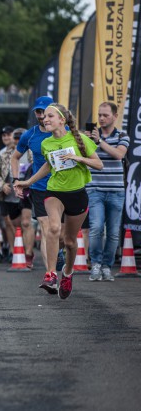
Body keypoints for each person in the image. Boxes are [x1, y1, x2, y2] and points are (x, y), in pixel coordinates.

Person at [15, 103, 102, 299]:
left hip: (77, 194)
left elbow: (99, 164)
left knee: (70, 242)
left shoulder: (79, 139)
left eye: (50, 116)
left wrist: (79, 158)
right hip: (54, 191)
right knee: (53, 228)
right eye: (44, 116)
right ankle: (51, 274)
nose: (45, 119)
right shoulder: (46, 143)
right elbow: (48, 165)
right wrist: (27, 182)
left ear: (62, 120)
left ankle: (67, 273)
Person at [84, 102, 129, 281]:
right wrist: (85, 141)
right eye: (99, 115)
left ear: (115, 116)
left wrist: (99, 142)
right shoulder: (91, 136)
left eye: (105, 115)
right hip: (95, 189)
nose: (101, 118)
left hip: (116, 190)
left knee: (113, 232)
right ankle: (95, 264)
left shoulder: (122, 135)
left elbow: (119, 154)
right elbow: (83, 157)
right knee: (96, 227)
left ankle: (106, 266)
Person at [12, 96, 55, 272]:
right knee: (46, 228)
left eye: (45, 111)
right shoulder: (29, 135)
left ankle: (57, 254)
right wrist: (16, 180)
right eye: (38, 111)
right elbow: (14, 157)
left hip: (64, 187)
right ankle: (50, 273)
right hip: (40, 187)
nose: (42, 115)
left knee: (60, 234)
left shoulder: (66, 132)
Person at [0, 128, 34, 263]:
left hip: (27, 193)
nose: (18, 140)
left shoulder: (32, 152)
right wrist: (2, 185)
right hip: (10, 195)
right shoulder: (4, 154)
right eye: (15, 138)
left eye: (20, 138)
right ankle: (14, 251)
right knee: (13, 225)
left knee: (26, 223)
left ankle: (28, 254)